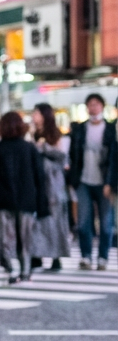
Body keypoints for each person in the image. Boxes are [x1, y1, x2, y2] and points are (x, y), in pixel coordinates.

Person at [0, 111, 49, 283]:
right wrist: (42, 203)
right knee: (25, 237)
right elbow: (39, 176)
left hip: (3, 198)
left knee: (6, 237)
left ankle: (12, 268)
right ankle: (25, 269)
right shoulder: (29, 147)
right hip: (26, 198)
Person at [68, 93, 116, 270]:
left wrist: (110, 182)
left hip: (104, 182)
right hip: (83, 181)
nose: (93, 108)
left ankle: (103, 257)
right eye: (90, 104)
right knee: (83, 222)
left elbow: (113, 158)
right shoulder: (80, 129)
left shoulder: (111, 129)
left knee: (106, 223)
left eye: (96, 104)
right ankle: (86, 256)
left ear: (102, 106)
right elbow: (73, 155)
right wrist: (73, 179)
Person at [30, 103, 71, 272]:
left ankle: (56, 257)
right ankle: (36, 255)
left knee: (54, 220)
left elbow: (62, 159)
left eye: (36, 113)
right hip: (36, 182)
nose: (34, 116)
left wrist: (44, 148)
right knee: (36, 220)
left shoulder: (55, 134)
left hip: (53, 183)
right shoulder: (32, 134)